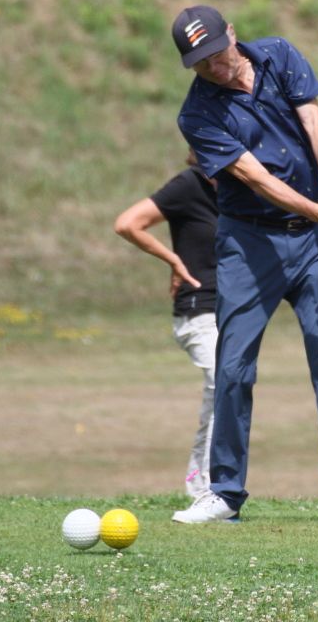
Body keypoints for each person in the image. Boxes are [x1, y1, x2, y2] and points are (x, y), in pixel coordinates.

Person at [169, 4, 318, 528]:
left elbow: (314, 119)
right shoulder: (197, 114)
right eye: (200, 63)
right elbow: (255, 178)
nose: (213, 67)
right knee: (233, 367)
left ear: (231, 34)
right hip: (249, 244)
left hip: (314, 244)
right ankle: (224, 493)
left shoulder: (279, 56)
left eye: (217, 54)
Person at [113, 152, 219, 505]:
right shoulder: (189, 185)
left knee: (225, 394)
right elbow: (127, 223)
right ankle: (206, 487)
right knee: (225, 383)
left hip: (230, 313)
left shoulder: (241, 189)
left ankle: (203, 484)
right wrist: (173, 259)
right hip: (198, 312)